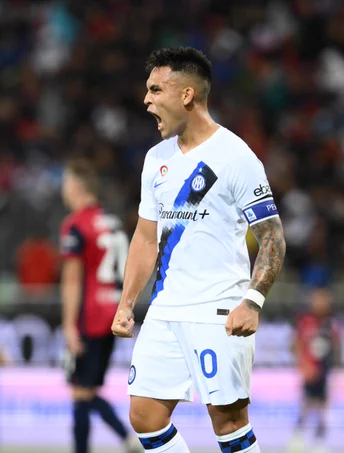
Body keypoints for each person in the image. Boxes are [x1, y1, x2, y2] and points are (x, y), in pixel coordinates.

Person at [111, 47, 287, 452]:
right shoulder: (156, 159)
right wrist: (126, 303)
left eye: (156, 90)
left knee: (228, 422)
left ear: (186, 94)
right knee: (144, 416)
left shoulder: (236, 157)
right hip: (165, 309)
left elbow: (273, 237)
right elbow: (145, 237)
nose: (146, 100)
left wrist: (253, 302)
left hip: (218, 310)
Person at [59, 159, 140, 453]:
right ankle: (127, 439)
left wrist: (69, 326)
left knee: (81, 391)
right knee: (86, 389)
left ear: (76, 186)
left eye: (66, 183)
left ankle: (126, 439)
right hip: (114, 313)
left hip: (90, 316)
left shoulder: (76, 225)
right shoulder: (113, 222)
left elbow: (72, 280)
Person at [289, 289, 341, 452]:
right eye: (317, 300)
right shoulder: (305, 321)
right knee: (306, 403)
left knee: (323, 405)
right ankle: (298, 437)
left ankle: (320, 440)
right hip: (310, 368)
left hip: (325, 369)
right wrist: (303, 364)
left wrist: (339, 368)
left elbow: (337, 345)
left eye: (324, 300)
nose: (320, 303)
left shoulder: (331, 322)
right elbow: (296, 344)